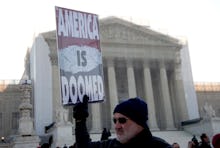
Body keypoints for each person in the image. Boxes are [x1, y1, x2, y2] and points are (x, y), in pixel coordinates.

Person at [73, 95, 172, 148]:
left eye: (122, 120)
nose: (117, 126)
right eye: (115, 120)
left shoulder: (161, 146)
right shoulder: (111, 145)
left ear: (139, 122)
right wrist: (80, 121)